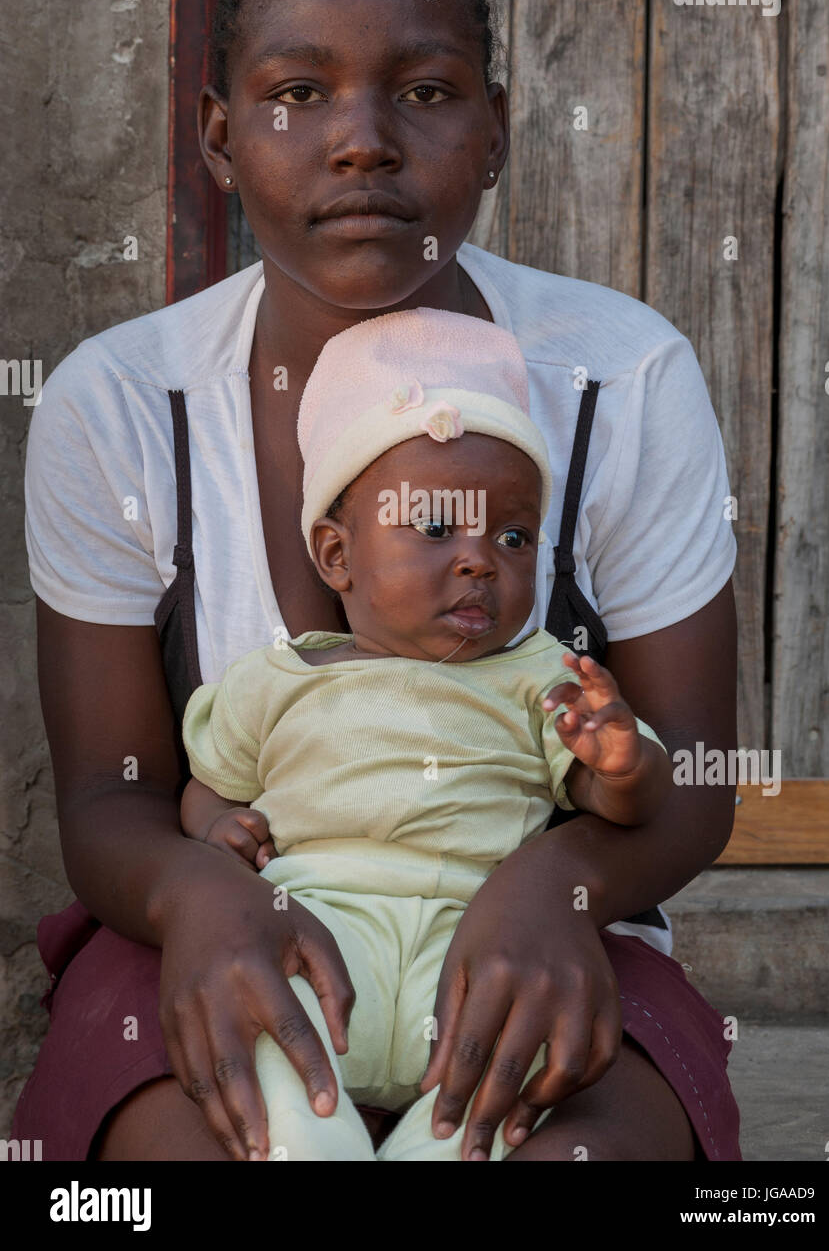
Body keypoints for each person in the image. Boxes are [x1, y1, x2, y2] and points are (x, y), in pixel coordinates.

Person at [14, 0, 741, 1162]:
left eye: (425, 90)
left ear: (498, 130)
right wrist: (196, 892)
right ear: (220, 136)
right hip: (222, 930)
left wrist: (554, 884)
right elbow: (106, 794)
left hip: (536, 933)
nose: (362, 142)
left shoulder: (620, 378)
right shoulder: (124, 405)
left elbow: (691, 780)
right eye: (298, 94)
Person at [178, 309, 677, 1161]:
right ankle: (310, 1144)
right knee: (273, 1035)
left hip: (477, 945)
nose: (481, 558)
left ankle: (437, 1146)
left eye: (513, 536)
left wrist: (620, 762)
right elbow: (212, 784)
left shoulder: (538, 676)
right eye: (437, 527)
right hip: (322, 929)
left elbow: (615, 799)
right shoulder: (282, 677)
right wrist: (214, 830)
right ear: (338, 556)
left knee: (526, 1055)